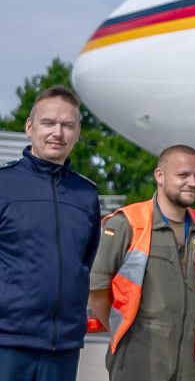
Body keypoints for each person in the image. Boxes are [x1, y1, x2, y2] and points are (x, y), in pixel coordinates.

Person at [88, 145, 195, 381]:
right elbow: (97, 287)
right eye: (183, 175)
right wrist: (122, 330)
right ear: (160, 176)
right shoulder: (127, 223)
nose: (192, 182)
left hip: (187, 361)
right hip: (138, 357)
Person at [0, 86, 101, 381]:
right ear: (29, 127)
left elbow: (85, 259)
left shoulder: (86, 194)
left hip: (63, 345)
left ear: (77, 133)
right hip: (8, 342)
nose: (58, 132)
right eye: (48, 123)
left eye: (67, 125)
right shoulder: (4, 184)